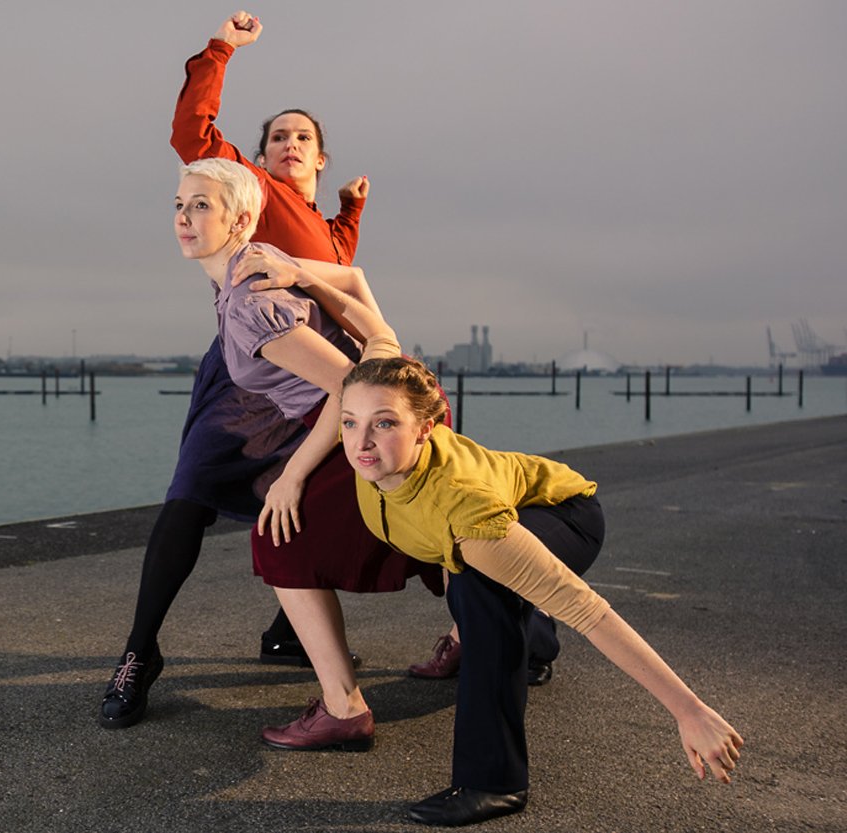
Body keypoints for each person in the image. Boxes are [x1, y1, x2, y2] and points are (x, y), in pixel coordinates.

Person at [99, 9, 380, 730]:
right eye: (277, 135)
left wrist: (348, 211)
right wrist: (223, 47)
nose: (289, 143)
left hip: (314, 375)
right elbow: (191, 134)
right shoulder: (248, 195)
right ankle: (138, 653)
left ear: (320, 158)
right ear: (257, 158)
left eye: (303, 137)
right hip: (245, 371)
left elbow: (335, 266)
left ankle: (291, 628)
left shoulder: (318, 220)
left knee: (304, 499)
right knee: (189, 497)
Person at [333, 355, 743, 826]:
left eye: (384, 423)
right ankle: (536, 644)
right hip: (499, 511)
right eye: (350, 422)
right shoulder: (373, 458)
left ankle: (494, 783)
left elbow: (587, 610)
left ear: (426, 429)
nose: (361, 441)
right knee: (488, 585)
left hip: (566, 514)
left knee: (478, 595)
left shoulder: (465, 507)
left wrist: (687, 710)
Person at [159, 158, 443, 756]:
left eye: (201, 205)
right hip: (401, 406)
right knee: (424, 528)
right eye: (179, 205)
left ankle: (343, 709)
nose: (184, 217)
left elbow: (348, 389)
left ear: (239, 218)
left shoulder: (249, 297)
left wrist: (290, 475)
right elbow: (356, 285)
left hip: (372, 416)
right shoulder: (248, 270)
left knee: (280, 540)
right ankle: (499, 629)